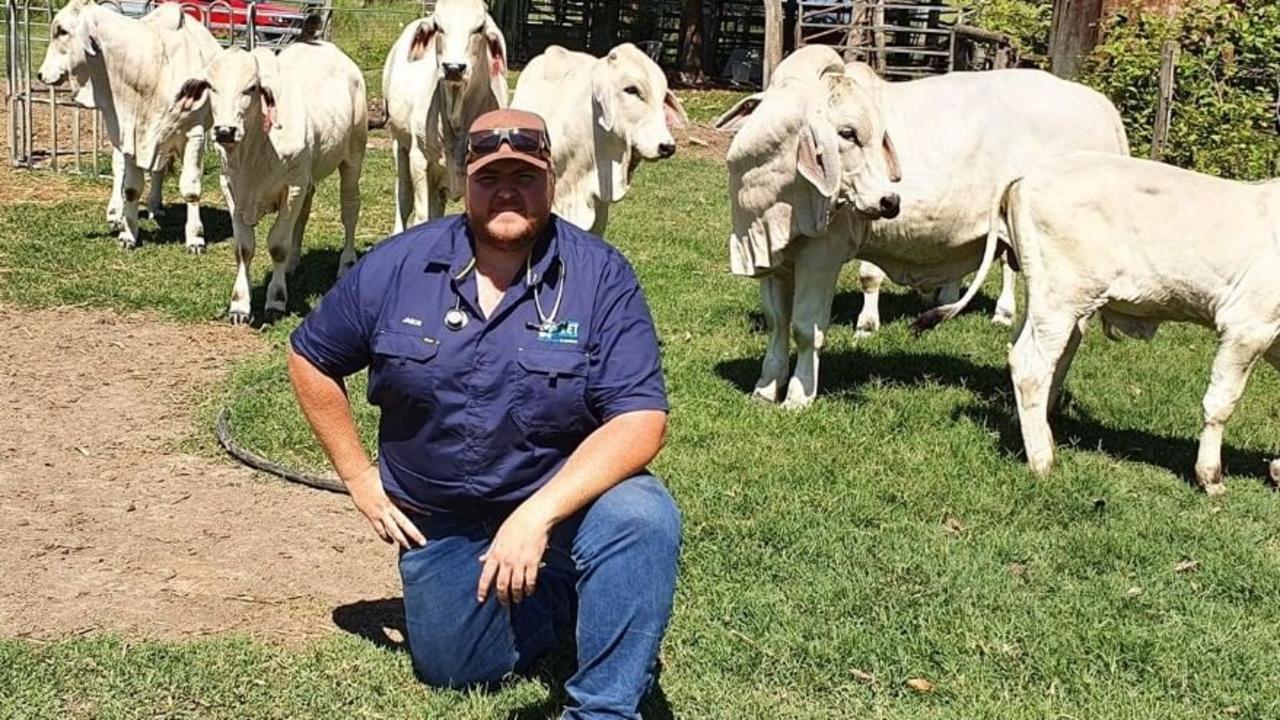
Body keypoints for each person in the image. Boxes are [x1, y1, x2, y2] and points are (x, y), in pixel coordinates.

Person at [287, 108, 681, 719]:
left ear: (551, 181)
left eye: (524, 178)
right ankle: (561, 596)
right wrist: (359, 479)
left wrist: (537, 515)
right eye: (489, 176)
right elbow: (311, 358)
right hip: (444, 517)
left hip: (564, 501)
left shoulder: (600, 277)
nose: (507, 192)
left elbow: (640, 420)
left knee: (641, 516)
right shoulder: (400, 265)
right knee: (453, 668)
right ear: (460, 178)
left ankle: (602, 705)